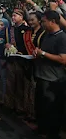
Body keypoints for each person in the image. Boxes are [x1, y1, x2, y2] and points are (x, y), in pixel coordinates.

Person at [33, 10, 66, 139]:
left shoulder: (62, 38)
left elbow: (63, 59)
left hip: (54, 80)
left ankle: (53, 134)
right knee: (40, 107)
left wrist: (43, 54)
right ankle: (42, 129)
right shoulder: (46, 35)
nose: (42, 24)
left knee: (53, 110)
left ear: (53, 21)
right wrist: (38, 53)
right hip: (42, 76)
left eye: (44, 22)